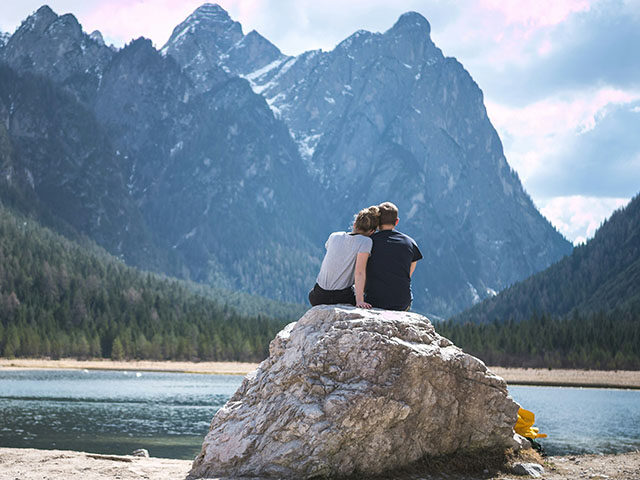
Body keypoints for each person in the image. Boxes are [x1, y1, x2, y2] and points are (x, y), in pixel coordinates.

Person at [309, 206, 380, 308]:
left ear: (355, 224)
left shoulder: (334, 236)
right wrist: (359, 301)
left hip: (318, 296)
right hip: (340, 296)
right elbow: (359, 272)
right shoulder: (366, 242)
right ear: (372, 232)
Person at [365, 202, 423, 311]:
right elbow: (408, 273)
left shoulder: (369, 242)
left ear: (377, 221)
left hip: (374, 301)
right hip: (401, 302)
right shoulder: (410, 243)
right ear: (396, 222)